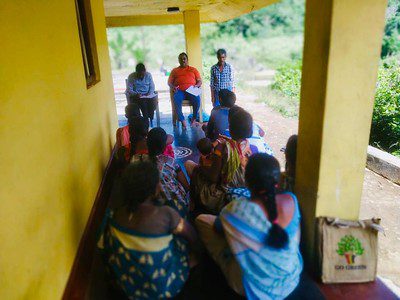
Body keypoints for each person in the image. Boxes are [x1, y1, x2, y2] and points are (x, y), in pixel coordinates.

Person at [195, 153, 303, 299]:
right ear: (277, 181)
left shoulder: (236, 209)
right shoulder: (291, 200)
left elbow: (218, 228)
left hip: (254, 289)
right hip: (291, 279)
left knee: (202, 220)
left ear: (247, 182)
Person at [102, 161, 197, 299]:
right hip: (162, 288)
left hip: (128, 286)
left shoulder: (116, 214)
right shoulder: (166, 214)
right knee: (183, 239)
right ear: (154, 189)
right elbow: (192, 237)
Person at [188, 107, 253, 214]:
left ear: (231, 128)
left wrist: (200, 167)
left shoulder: (223, 148)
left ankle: (193, 205)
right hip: (241, 191)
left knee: (192, 167)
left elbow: (213, 177)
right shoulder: (248, 147)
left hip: (223, 197)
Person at [131, 127, 190, 217]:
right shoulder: (170, 161)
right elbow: (186, 186)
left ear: (147, 143)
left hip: (145, 206)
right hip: (174, 207)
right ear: (164, 147)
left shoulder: (135, 159)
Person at [168, 53, 202, 129]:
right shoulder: (175, 70)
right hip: (180, 90)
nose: (183, 60)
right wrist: (173, 87)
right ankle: (183, 121)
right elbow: (169, 82)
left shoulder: (193, 69)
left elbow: (199, 81)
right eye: (181, 59)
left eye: (184, 59)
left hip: (191, 90)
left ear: (187, 60)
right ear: (178, 60)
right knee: (176, 99)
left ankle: (193, 119)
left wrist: (197, 85)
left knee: (197, 99)